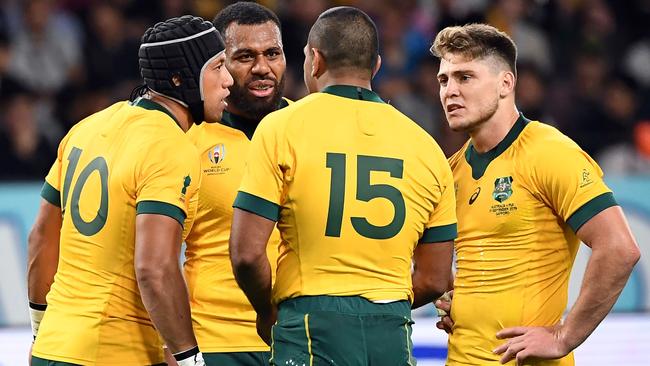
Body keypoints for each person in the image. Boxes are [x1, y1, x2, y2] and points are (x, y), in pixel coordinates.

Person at [229, 6, 457, 365]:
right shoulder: (426, 146)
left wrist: (265, 310)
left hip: (309, 329)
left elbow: (246, 254)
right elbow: (434, 277)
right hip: (392, 333)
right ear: (376, 66)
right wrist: (378, 305)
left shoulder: (281, 127)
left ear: (315, 60)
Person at [27, 15, 233, 366]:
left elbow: (42, 238)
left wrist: (41, 331)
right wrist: (190, 359)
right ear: (180, 78)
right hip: (115, 351)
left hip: (54, 347)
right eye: (217, 67)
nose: (228, 81)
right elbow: (155, 269)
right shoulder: (170, 146)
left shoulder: (88, 127)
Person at [430, 23, 641, 365]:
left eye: (465, 77)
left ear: (505, 83)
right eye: (444, 80)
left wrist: (564, 336)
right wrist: (459, 298)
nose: (450, 91)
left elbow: (619, 248)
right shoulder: (450, 169)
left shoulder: (549, 152)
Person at [182, 2, 288, 365]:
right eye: (245, 56)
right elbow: (155, 257)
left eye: (272, 53)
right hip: (215, 341)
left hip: (298, 336)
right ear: (219, 64)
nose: (262, 68)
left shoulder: (310, 129)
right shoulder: (189, 138)